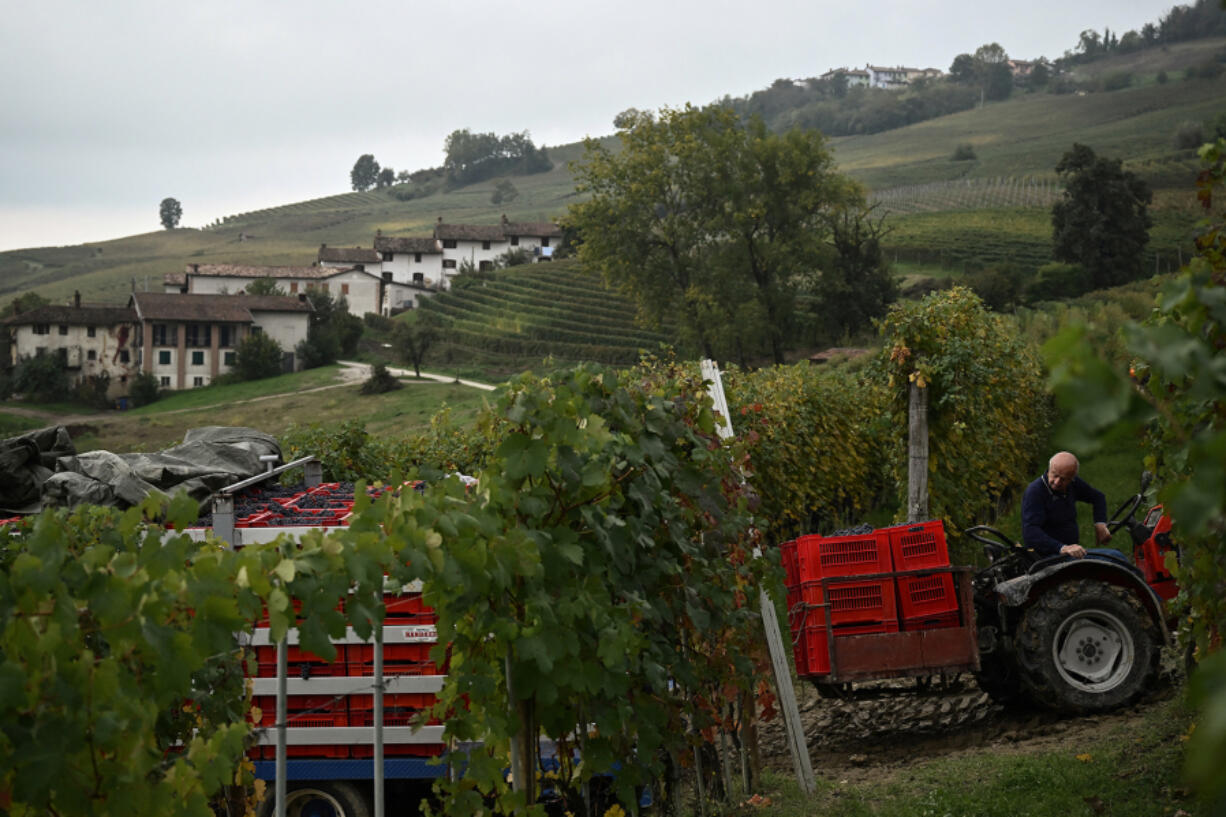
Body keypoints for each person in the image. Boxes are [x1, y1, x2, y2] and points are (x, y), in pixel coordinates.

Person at [1021, 451, 1112, 559]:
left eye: (1063, 479)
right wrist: (1062, 548)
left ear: (1072, 478)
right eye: (1054, 475)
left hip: (1070, 553)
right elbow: (1030, 532)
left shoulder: (1073, 484)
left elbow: (1098, 497)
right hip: (1049, 556)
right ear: (1049, 470)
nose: (1057, 482)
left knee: (1116, 557)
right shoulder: (1035, 492)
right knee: (1112, 558)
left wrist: (1100, 524)